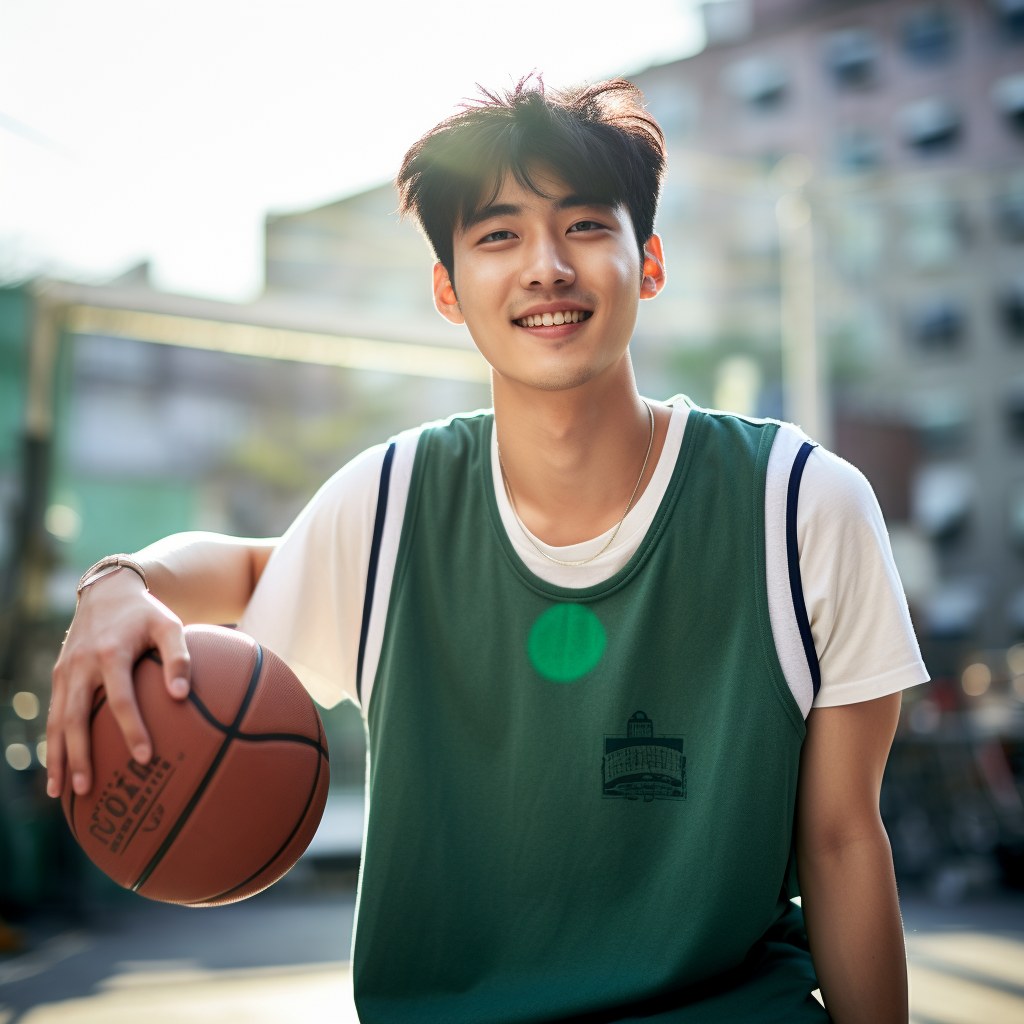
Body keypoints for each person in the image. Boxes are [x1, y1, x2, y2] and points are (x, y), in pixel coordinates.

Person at [47, 79, 926, 1023]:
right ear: (447, 289)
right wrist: (118, 584)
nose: (546, 267)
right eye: (498, 235)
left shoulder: (801, 505)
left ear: (651, 261)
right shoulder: (393, 502)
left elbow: (841, 841)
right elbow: (254, 568)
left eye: (586, 225)